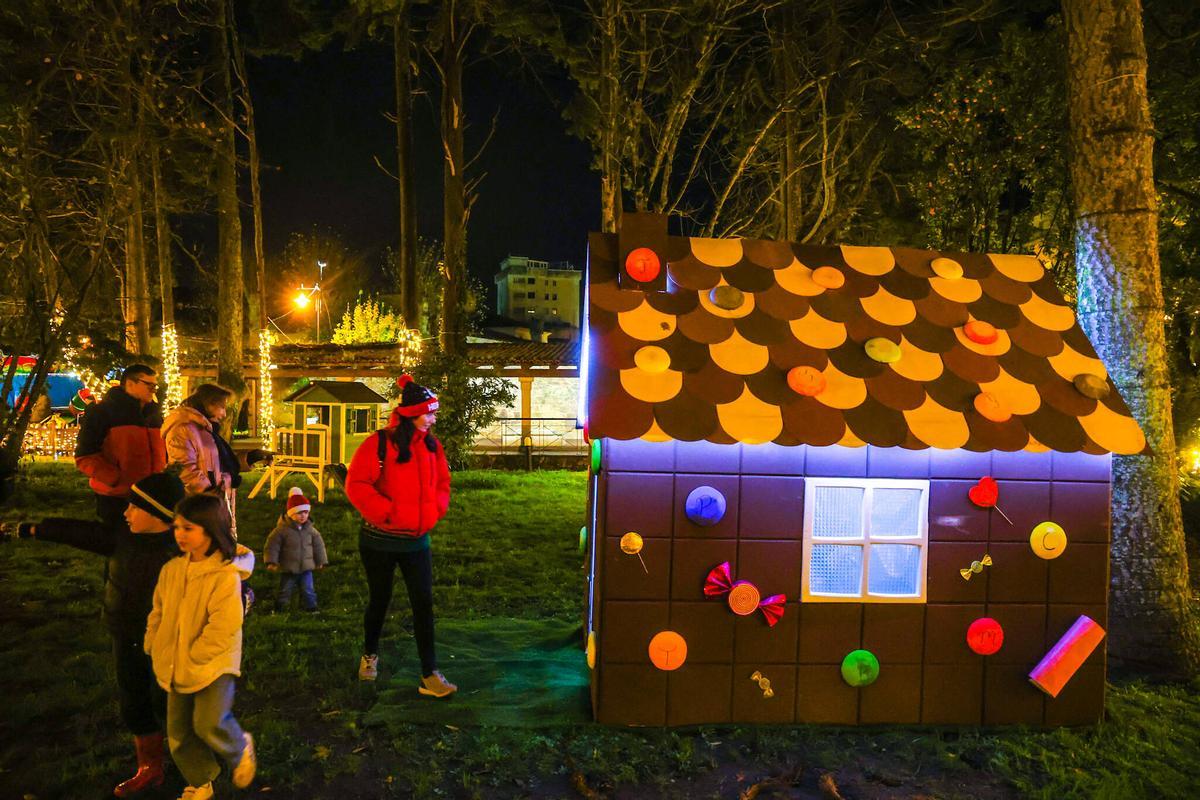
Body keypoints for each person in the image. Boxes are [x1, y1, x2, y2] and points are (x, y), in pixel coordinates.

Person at [14, 472, 185, 797]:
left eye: (134, 507)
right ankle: (149, 766)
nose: (125, 513)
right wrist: (36, 529)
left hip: (167, 640)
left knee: (168, 701)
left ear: (158, 514)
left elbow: (220, 571)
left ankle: (187, 760)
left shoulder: (181, 550)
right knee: (133, 698)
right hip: (124, 632)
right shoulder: (122, 537)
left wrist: (241, 595)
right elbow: (82, 533)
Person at [345, 374, 455, 697]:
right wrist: (388, 513)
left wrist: (434, 511)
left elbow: (443, 484)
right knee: (380, 600)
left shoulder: (432, 446)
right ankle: (369, 655)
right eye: (429, 413)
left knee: (423, 603)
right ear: (412, 414)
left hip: (417, 542)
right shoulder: (379, 443)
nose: (434, 418)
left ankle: (429, 674)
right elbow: (357, 484)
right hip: (379, 540)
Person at [145, 493, 257, 800]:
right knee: (179, 733)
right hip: (173, 661)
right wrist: (154, 641)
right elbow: (158, 610)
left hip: (213, 663)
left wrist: (196, 654)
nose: (179, 534)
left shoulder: (223, 577)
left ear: (210, 531)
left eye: (189, 528)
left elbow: (224, 625)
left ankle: (240, 747)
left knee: (209, 723)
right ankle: (201, 780)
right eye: (178, 527)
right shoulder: (172, 571)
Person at [75, 364, 167, 528]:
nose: (154, 390)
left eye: (155, 385)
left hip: (151, 495)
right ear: (130, 384)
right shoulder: (103, 413)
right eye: (149, 384)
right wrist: (114, 479)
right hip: (117, 497)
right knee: (120, 544)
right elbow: (85, 455)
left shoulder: (154, 416)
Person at [161, 384, 240, 529]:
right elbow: (184, 467)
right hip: (200, 504)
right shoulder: (183, 428)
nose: (223, 414)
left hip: (214, 498)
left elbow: (219, 461)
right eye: (221, 407)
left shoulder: (205, 429)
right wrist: (207, 491)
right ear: (208, 404)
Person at [264, 487, 328, 612]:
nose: (303, 516)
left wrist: (321, 561)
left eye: (306, 512)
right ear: (291, 513)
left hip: (306, 567)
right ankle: (280, 608)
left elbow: (318, 545)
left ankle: (311, 608)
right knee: (285, 590)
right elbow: (272, 546)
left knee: (308, 589)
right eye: (299, 513)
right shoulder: (281, 530)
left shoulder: (310, 530)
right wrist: (271, 561)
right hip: (289, 567)